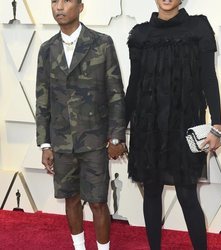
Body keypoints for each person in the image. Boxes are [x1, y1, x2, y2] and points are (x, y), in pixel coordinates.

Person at [125, 0, 221, 249]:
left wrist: (217, 124)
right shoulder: (141, 34)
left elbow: (208, 78)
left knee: (187, 193)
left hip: (184, 125)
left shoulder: (198, 28)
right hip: (148, 126)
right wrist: (118, 130)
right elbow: (133, 85)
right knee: (152, 190)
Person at [36, 0, 126, 249]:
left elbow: (116, 93)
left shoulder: (101, 43)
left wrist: (117, 137)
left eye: (66, 1)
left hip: (95, 140)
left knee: (98, 201)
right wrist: (45, 143)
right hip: (61, 142)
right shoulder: (46, 49)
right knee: (71, 199)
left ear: (81, 6)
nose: (59, 7)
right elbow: (42, 99)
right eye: (54, 2)